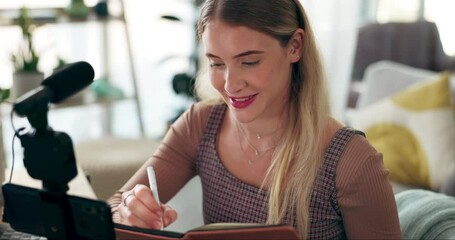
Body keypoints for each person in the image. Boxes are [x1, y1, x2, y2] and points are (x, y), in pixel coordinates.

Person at [107, 0, 402, 239]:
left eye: (249, 62)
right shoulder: (199, 126)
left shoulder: (351, 162)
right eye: (216, 63)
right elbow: (109, 210)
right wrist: (130, 210)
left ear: (295, 46)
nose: (230, 85)